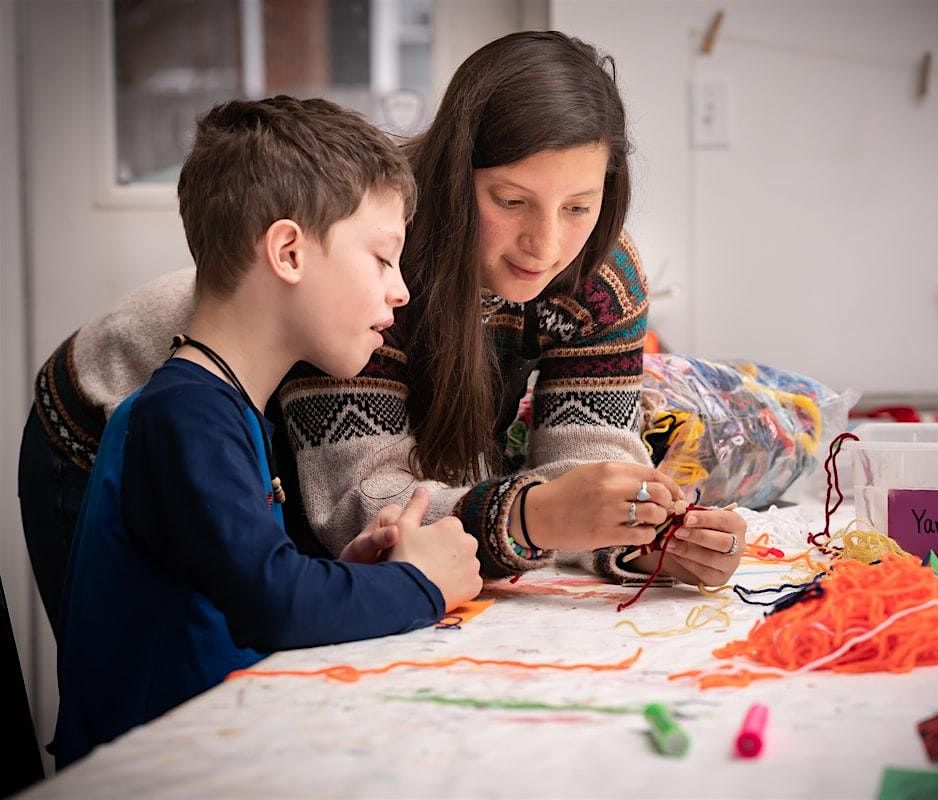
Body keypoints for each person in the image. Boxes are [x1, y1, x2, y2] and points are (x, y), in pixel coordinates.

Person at [51, 96, 482, 768]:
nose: (401, 290)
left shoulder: (220, 408)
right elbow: (274, 607)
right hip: (156, 773)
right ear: (288, 251)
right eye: (382, 258)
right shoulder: (185, 417)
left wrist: (347, 577)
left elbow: (231, 591)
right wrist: (422, 582)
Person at [277, 31, 746, 587]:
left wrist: (641, 536)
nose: (544, 246)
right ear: (455, 174)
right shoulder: (373, 257)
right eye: (511, 201)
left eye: (578, 207)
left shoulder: (603, 273)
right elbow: (360, 507)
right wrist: (533, 516)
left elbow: (587, 461)